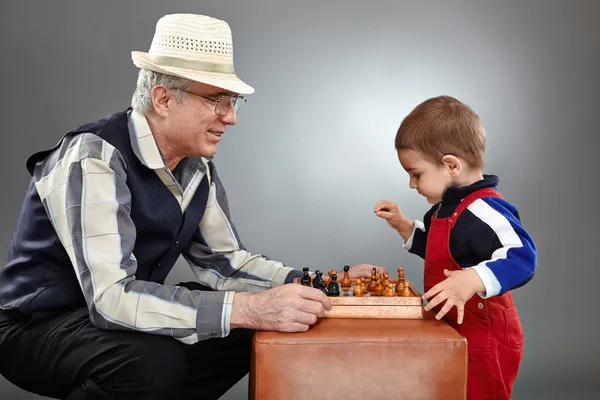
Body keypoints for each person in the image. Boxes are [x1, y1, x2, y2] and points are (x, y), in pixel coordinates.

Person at [0, 13, 382, 400]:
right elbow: (110, 299)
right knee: (152, 362)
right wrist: (248, 307)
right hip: (35, 325)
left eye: (233, 102)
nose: (230, 118)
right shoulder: (93, 156)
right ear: (163, 98)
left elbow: (225, 263)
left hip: (103, 320)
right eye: (216, 100)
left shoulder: (197, 170)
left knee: (244, 333)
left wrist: (326, 284)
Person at [373, 96, 537, 399]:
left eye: (416, 174)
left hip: (485, 337)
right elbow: (441, 251)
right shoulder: (443, 210)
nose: (412, 185)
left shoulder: (485, 209)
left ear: (450, 165)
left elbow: (522, 256)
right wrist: (404, 226)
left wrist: (472, 279)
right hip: (452, 327)